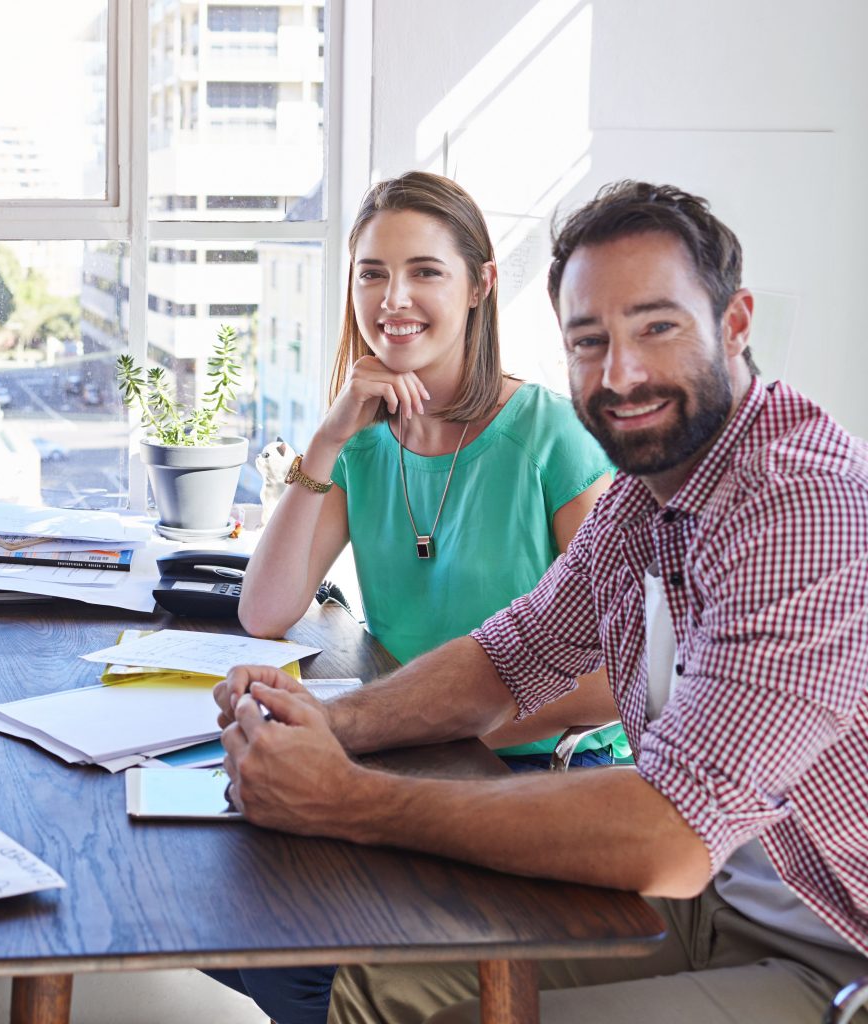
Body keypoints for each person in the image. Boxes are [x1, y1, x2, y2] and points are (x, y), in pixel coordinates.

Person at [215, 181, 868, 1024]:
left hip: (833, 946)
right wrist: (325, 722)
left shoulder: (800, 504)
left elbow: (670, 833)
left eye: (657, 328)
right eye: (589, 340)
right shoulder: (647, 492)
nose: (620, 374)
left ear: (734, 324)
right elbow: (507, 657)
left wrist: (349, 798)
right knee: (375, 990)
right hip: (718, 894)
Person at [208, 172, 627, 1023]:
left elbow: (618, 676)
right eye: (371, 273)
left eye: (424, 271)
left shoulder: (551, 436)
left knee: (300, 975)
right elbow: (265, 608)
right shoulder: (362, 442)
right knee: (234, 920)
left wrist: (430, 726)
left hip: (545, 777)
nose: (392, 298)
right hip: (415, 757)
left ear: (479, 285)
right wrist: (327, 439)